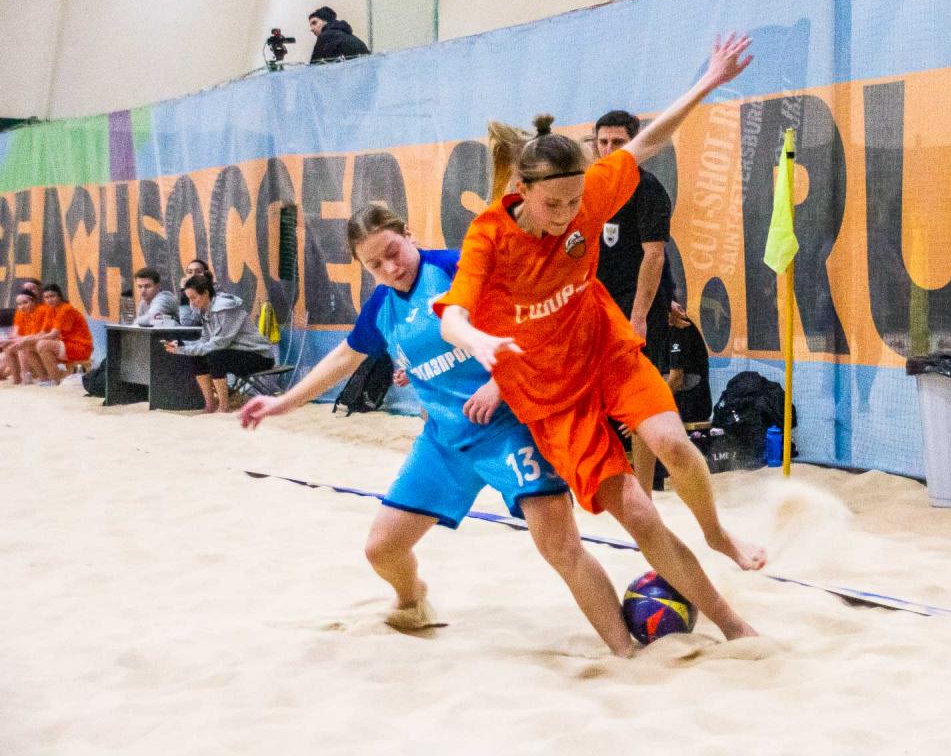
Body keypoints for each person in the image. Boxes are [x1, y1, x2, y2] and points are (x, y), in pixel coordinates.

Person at [437, 34, 764, 643]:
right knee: (639, 516)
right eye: (553, 205)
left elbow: (649, 141)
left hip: (604, 349)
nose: (568, 214)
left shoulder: (586, 195)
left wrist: (708, 81)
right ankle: (728, 622)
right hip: (551, 396)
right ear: (522, 191)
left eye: (575, 201)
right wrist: (477, 342)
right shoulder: (489, 237)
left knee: (672, 442)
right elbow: (452, 314)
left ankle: (718, 539)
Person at [239, 204, 632, 654]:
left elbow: (532, 324)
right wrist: (283, 402)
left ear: (409, 234)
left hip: (508, 429)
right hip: (444, 442)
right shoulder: (382, 307)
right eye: (375, 265)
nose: (390, 268)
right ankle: (413, 602)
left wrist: (499, 384)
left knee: (560, 547)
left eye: (393, 252)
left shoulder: (455, 269)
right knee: (382, 549)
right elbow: (344, 358)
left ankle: (625, 652)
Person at [593, 109, 676, 496]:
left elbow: (654, 256)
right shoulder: (589, 187)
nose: (610, 149)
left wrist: (639, 315)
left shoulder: (648, 190)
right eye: (603, 142)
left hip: (637, 305)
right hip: (597, 302)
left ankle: (644, 489)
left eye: (619, 142)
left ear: (636, 142)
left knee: (642, 396)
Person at [164, 276, 273, 413]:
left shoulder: (225, 308)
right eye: (189, 299)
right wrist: (181, 345)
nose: (192, 303)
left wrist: (183, 350)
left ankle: (223, 407)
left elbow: (218, 344)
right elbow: (205, 340)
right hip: (234, 353)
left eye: (194, 298)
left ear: (206, 293)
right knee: (197, 357)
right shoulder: (205, 310)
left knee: (215, 357)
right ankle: (210, 405)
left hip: (260, 356)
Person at [27, 283, 94, 384]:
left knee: (42, 345)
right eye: (46, 297)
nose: (49, 300)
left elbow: (52, 335)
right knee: (27, 347)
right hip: (65, 345)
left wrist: (23, 341)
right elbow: (42, 332)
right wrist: (22, 341)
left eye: (52, 296)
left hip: (80, 347)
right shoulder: (51, 310)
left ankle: (55, 379)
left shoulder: (66, 309)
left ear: (60, 296)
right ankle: (44, 379)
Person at [1, 288, 47, 383]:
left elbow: (41, 334)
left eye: (25, 303)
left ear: (34, 301)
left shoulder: (42, 311)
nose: (22, 306)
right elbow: (16, 335)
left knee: (22, 346)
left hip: (42, 340)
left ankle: (27, 375)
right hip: (28, 340)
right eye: (19, 304)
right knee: (8, 348)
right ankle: (17, 380)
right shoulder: (20, 314)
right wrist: (8, 341)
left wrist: (21, 340)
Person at [178, 259, 213, 326]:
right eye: (190, 272)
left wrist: (183, 293)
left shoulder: (209, 294)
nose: (193, 275)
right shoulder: (190, 293)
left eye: (198, 272)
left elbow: (187, 322)